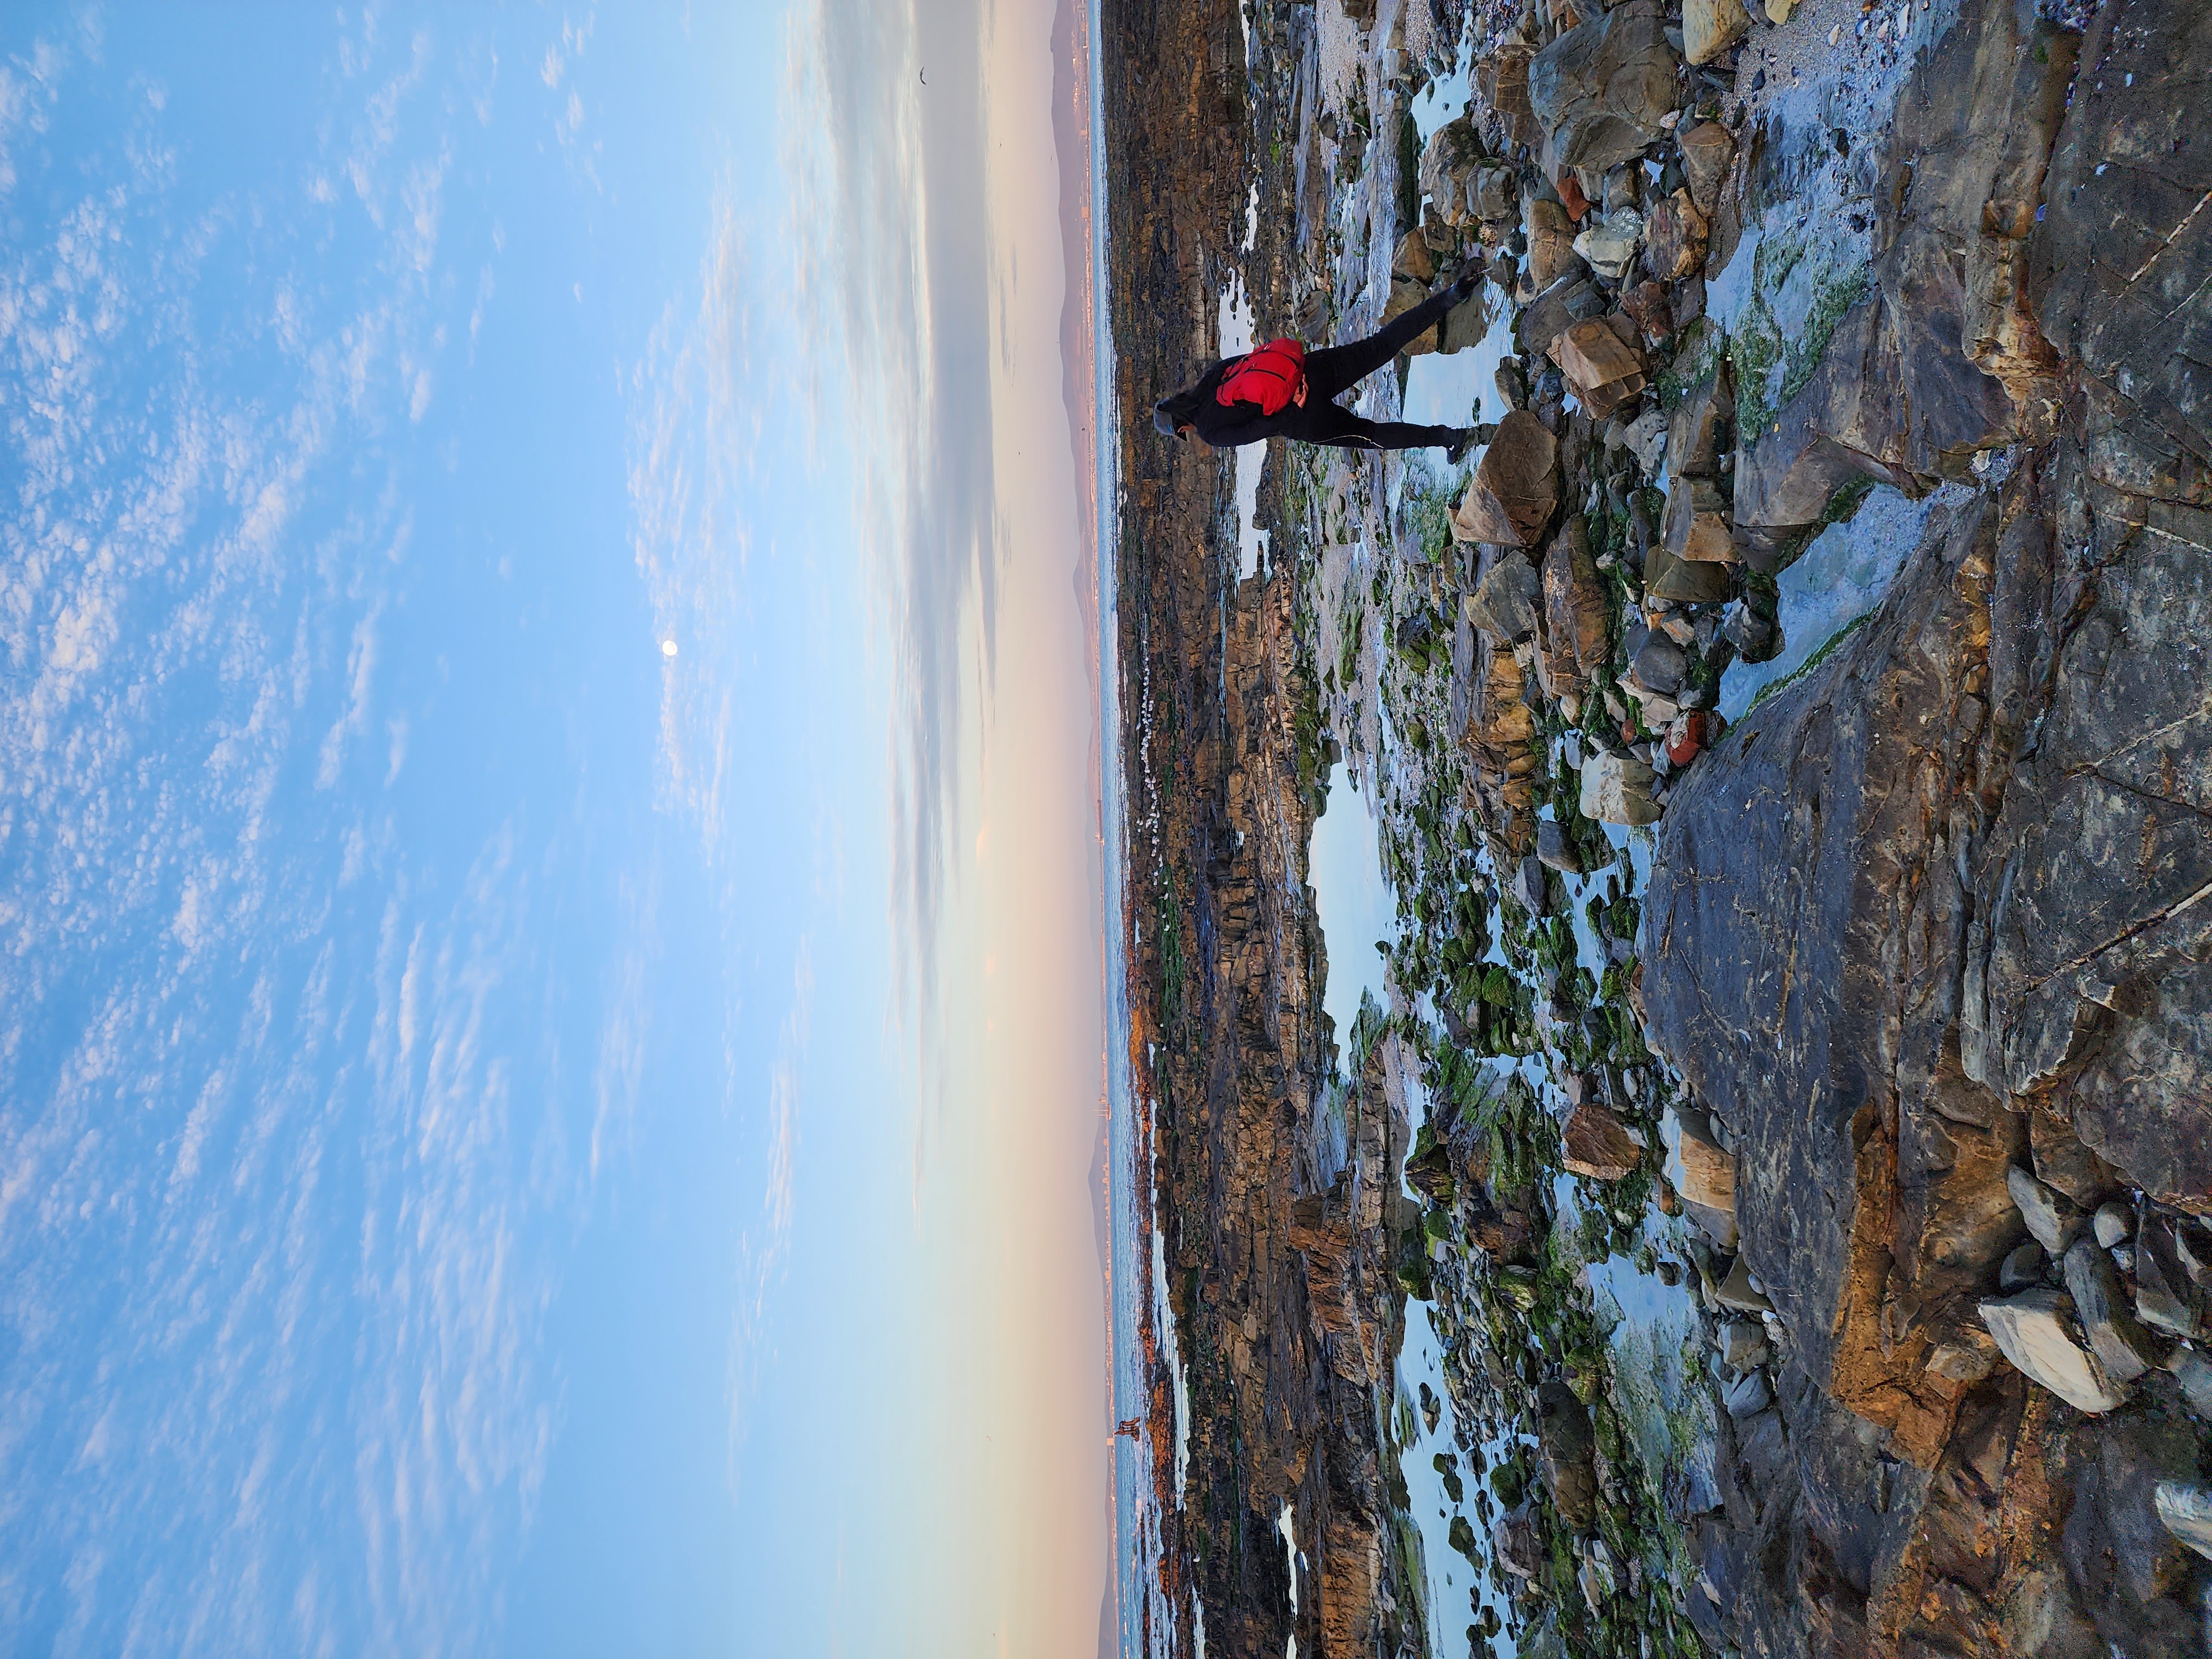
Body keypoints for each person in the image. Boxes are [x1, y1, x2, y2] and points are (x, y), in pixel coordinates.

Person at [1152, 264, 1490, 457]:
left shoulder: (1210, 431)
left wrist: (1294, 409)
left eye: (1182, 431)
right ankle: (1450, 297)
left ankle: (1449, 438)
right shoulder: (1213, 376)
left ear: (1182, 426)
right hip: (1309, 371)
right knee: (1380, 345)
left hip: (1303, 418)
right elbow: (1259, 359)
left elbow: (1260, 428)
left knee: (1368, 434)